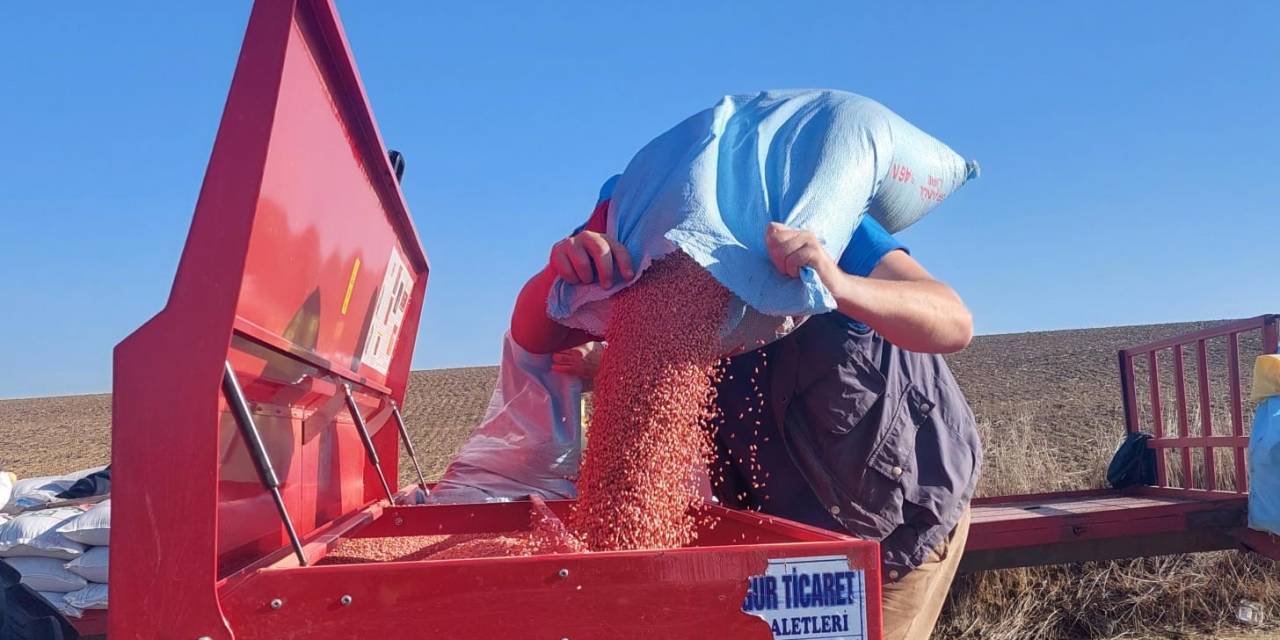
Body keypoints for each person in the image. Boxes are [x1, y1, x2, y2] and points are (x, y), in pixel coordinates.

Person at [509, 176, 981, 640]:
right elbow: (534, 332)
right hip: (783, 533)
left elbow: (952, 319)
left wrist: (838, 283)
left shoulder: (812, 207)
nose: (673, 261)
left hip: (895, 519)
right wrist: (562, 272)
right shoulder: (636, 242)